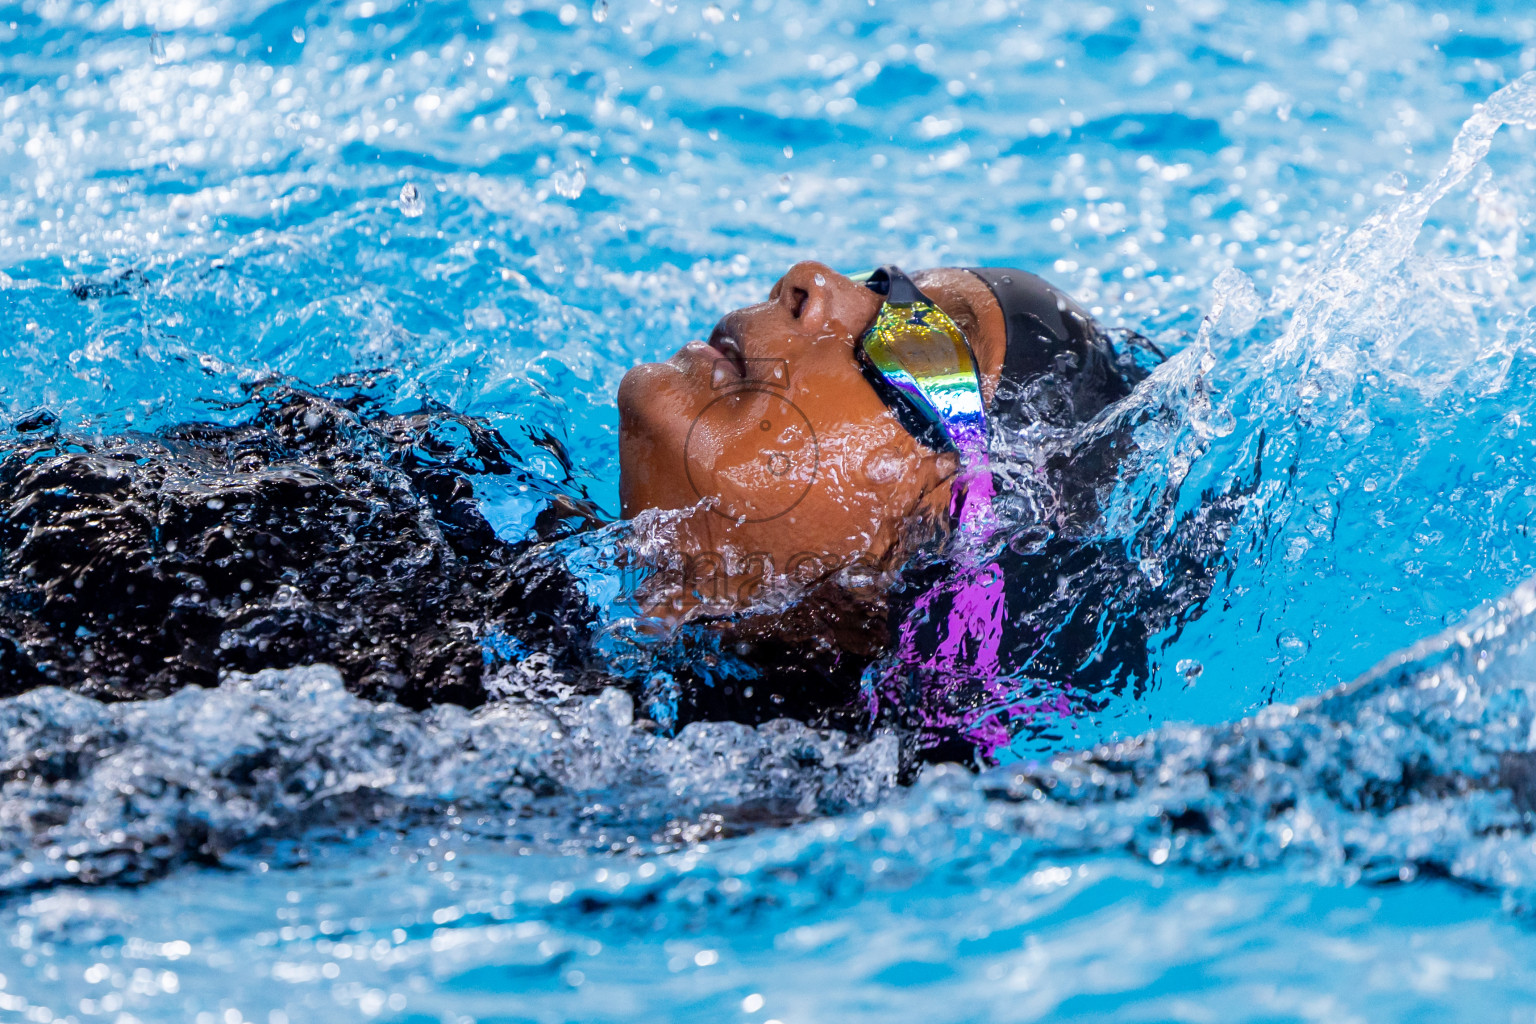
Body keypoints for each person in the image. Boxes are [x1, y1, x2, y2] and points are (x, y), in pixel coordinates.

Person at [0, 260, 1217, 767]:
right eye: (883, 276)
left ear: (956, 524)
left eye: (912, 334)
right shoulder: (408, 479)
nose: (819, 282)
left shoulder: (694, 800)